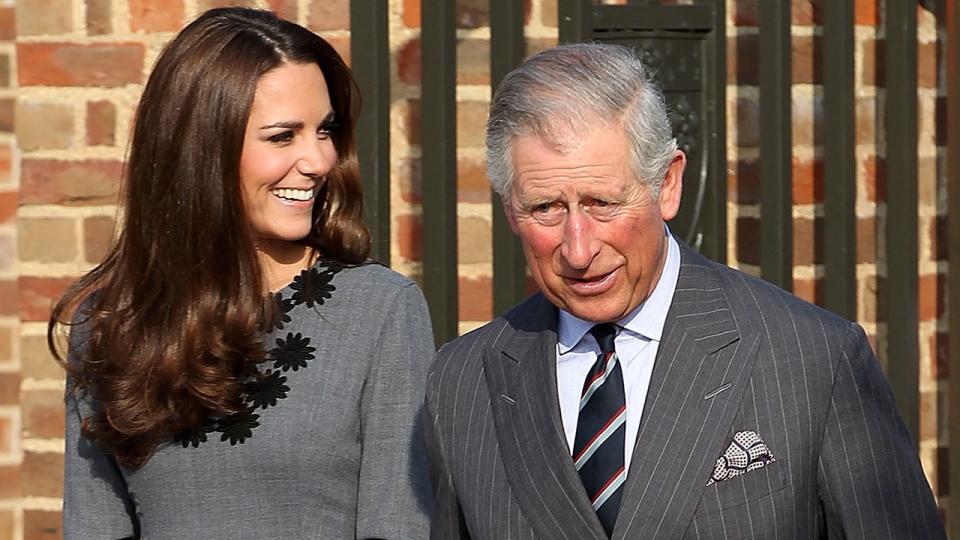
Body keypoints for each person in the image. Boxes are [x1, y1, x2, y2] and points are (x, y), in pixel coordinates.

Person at [424, 42, 944, 539]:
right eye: (546, 208)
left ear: (667, 184)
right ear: (510, 210)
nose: (578, 249)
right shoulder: (463, 384)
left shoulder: (810, 360)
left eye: (603, 202)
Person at [49, 7, 433, 539]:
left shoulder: (380, 309)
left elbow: (400, 525)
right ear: (201, 148)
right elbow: (95, 526)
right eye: (283, 136)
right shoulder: (111, 320)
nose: (319, 160)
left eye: (325, 131)